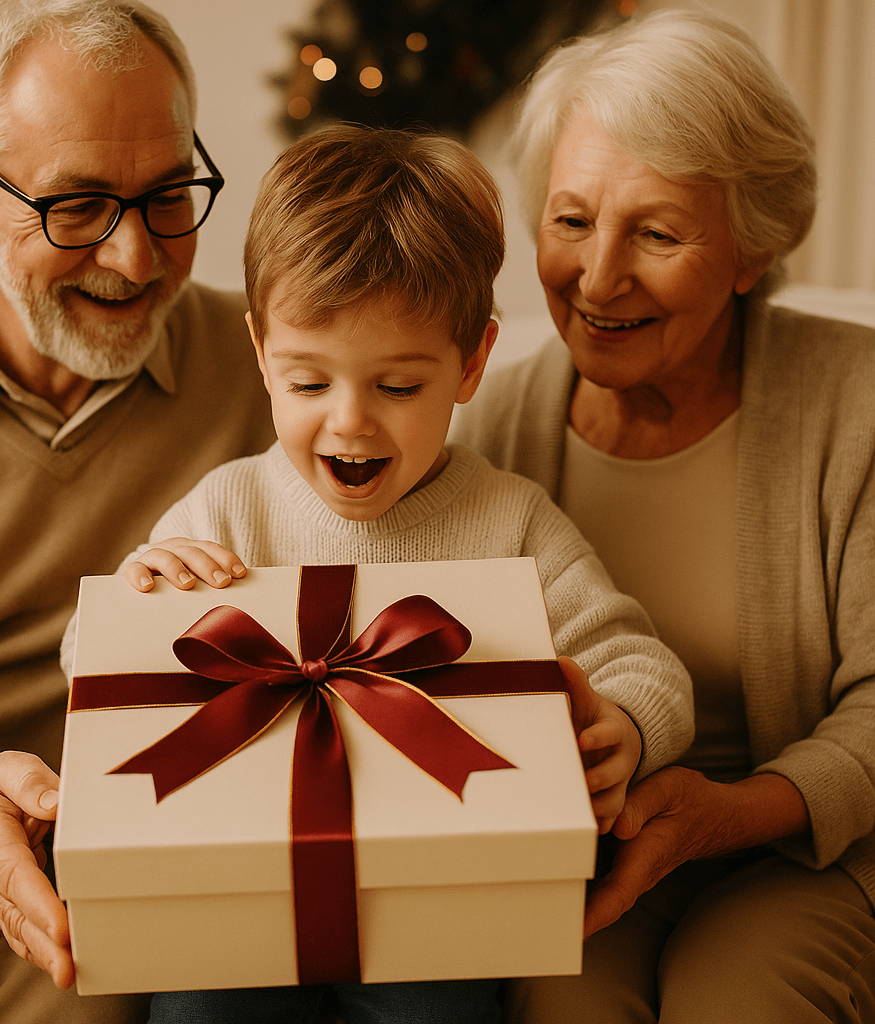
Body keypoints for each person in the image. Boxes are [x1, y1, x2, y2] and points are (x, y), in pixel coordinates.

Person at [76, 123, 695, 1024]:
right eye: (309, 383)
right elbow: (91, 672)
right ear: (260, 353)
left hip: (436, 895)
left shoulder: (508, 520)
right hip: (238, 886)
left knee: (438, 1005)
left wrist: (626, 727)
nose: (351, 423)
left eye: (399, 388)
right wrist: (144, 585)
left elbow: (640, 661)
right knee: (196, 1005)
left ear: (472, 362)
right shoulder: (225, 511)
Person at [0, 1, 274, 1021]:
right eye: (77, 206)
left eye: (169, 194)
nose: (136, 260)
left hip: (127, 842)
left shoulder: (272, 370)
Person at [451, 9, 875, 1022]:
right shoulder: (495, 425)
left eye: (655, 231)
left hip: (809, 842)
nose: (597, 277)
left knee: (734, 1002)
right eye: (570, 219)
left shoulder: (855, 406)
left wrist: (722, 813)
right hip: (593, 853)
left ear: (748, 247)